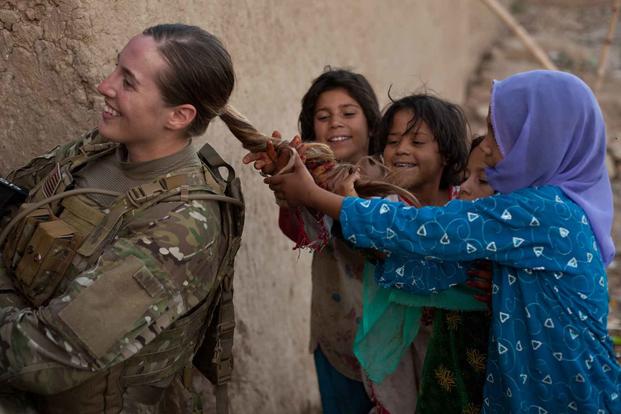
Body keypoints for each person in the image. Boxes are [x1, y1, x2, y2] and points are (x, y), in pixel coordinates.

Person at [265, 70, 621, 413]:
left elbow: (428, 229)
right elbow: (430, 269)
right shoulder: (536, 211)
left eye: (501, 133)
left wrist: (314, 194)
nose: (491, 146)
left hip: (571, 395)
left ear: (540, 139)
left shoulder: (546, 211)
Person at [0, 23, 257, 414]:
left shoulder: (183, 227)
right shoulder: (98, 148)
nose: (105, 86)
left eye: (128, 82)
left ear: (178, 116)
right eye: (115, 69)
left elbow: (45, 357)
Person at [246, 68, 381, 413]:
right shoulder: (310, 178)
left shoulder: (391, 179)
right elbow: (300, 233)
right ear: (311, 128)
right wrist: (291, 191)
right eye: (324, 116)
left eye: (349, 113)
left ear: (371, 121)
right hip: (336, 333)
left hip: (394, 336)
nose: (336, 122)